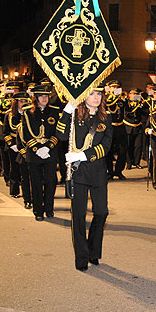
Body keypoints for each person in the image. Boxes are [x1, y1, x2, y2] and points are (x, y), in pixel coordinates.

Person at [57, 86, 113, 271]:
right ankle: (81, 257)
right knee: (79, 216)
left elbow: (105, 146)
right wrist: (66, 110)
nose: (96, 97)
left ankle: (93, 250)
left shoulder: (105, 118)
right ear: (83, 96)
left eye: (99, 94)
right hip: (78, 173)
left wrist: (82, 156)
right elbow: (60, 135)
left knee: (101, 212)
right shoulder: (74, 116)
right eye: (92, 93)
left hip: (97, 171)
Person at [21, 84, 59, 221]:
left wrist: (48, 147)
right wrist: (37, 149)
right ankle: (38, 210)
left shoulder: (54, 111)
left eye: (47, 96)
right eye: (41, 96)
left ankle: (49, 208)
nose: (45, 98)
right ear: (36, 98)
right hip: (34, 154)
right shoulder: (27, 112)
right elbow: (25, 134)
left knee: (50, 182)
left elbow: (57, 132)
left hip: (50, 152)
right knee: (36, 183)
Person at [3, 91, 32, 209]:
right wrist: (12, 145)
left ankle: (28, 196)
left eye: (25, 101)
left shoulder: (29, 113)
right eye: (21, 101)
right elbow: (5, 132)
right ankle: (14, 190)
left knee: (26, 173)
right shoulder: (9, 115)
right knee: (14, 168)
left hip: (26, 145)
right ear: (16, 102)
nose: (23, 103)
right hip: (14, 145)